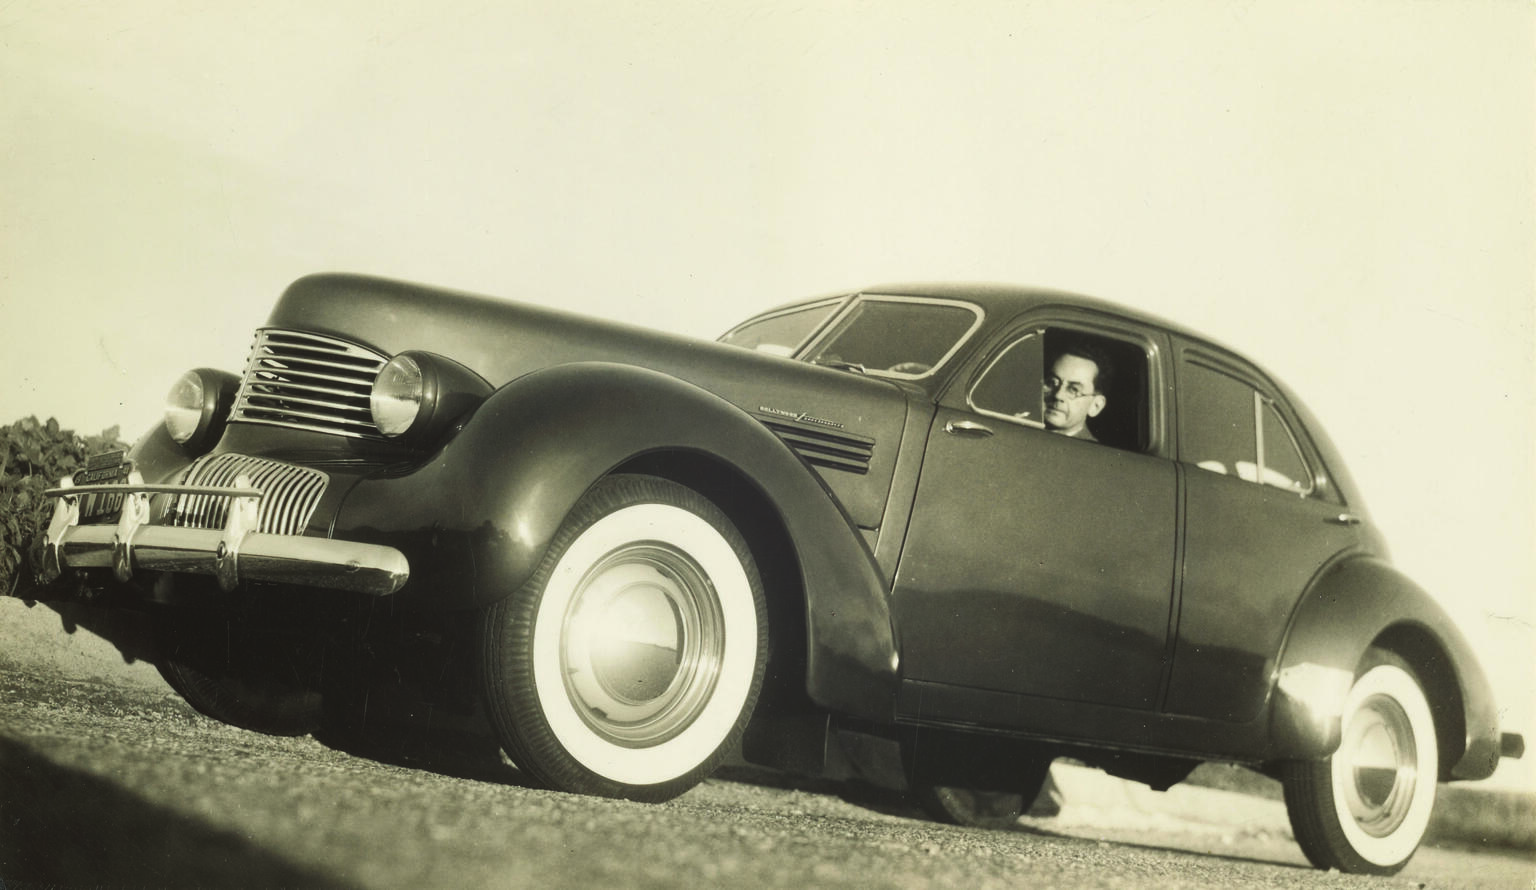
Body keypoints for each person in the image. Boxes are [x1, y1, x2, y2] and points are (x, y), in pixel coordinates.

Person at [1041, 342, 1113, 441]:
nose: (1058, 395)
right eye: (1052, 382)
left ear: (1095, 406)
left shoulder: (1091, 454)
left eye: (1074, 389)